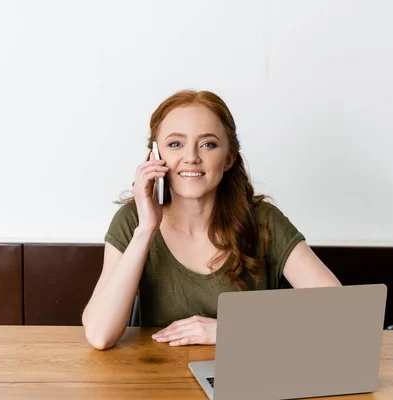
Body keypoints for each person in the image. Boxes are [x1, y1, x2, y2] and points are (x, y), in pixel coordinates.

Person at [82, 89, 341, 350]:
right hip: (159, 382)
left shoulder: (263, 219)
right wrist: (146, 229)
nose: (192, 157)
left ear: (228, 158)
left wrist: (231, 330)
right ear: (155, 157)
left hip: (246, 380)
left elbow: (338, 313)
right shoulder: (133, 221)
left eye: (208, 144)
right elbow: (99, 335)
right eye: (175, 144)